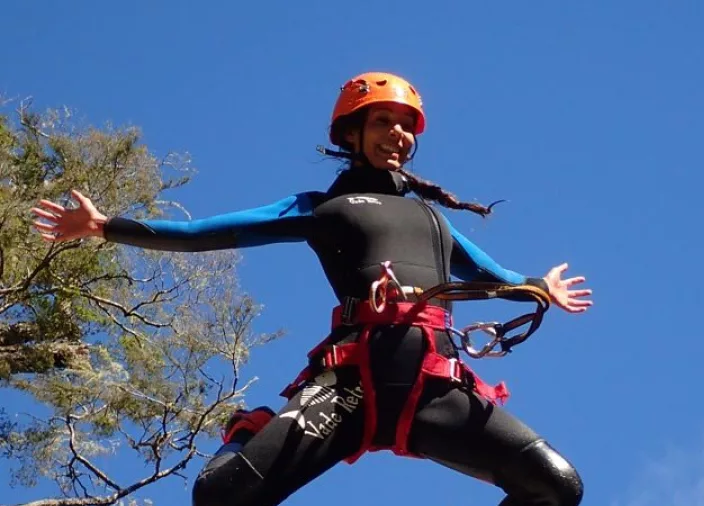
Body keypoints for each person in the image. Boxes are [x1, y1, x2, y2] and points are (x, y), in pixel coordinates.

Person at [30, 71, 593, 506]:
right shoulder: (322, 208)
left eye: (404, 125)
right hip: (351, 385)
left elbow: (496, 277)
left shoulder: (434, 221)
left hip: (434, 390)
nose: (396, 135)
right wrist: (107, 227)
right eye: (381, 122)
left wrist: (538, 287)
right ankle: (246, 433)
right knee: (220, 496)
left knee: (556, 485)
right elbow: (211, 233)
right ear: (352, 133)